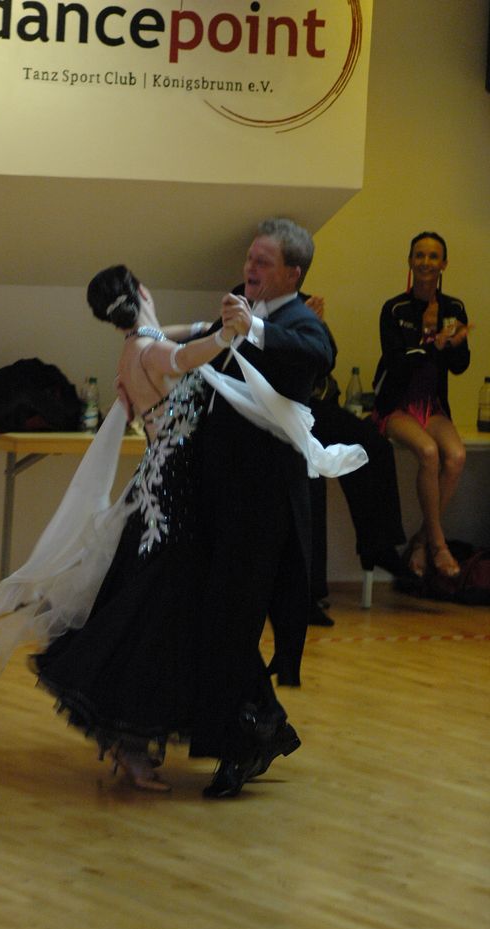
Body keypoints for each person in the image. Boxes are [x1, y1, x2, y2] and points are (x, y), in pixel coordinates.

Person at [0, 263, 366, 797]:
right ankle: (172, 736)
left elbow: (190, 332)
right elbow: (187, 354)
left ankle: (221, 729)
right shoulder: (151, 351)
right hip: (173, 497)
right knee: (157, 615)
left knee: (166, 613)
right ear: (141, 291)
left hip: (165, 489)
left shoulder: (140, 342)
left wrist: (246, 325)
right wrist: (228, 335)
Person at [188, 218, 336, 796]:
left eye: (263, 262)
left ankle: (246, 741)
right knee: (214, 618)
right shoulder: (238, 312)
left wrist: (252, 328)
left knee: (233, 620)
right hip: (219, 495)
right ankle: (261, 725)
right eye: (250, 258)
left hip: (263, 507)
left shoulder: (300, 323)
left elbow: (317, 353)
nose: (250, 268)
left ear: (293, 274)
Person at [371, 232, 471, 579]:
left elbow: (460, 366)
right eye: (419, 255)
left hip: (433, 406)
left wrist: (454, 344)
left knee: (456, 456)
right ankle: (438, 546)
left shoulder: (453, 309)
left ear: (444, 264)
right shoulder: (394, 308)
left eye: (433, 256)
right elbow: (397, 363)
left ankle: (421, 541)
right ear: (410, 261)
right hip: (396, 406)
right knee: (428, 452)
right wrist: (430, 341)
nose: (426, 262)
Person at [304, 295, 407, 628]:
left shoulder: (303, 301)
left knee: (373, 446)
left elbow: (327, 360)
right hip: (284, 409)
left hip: (321, 406)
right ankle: (309, 591)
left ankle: (379, 545)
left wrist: (317, 325)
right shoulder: (247, 300)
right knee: (311, 475)